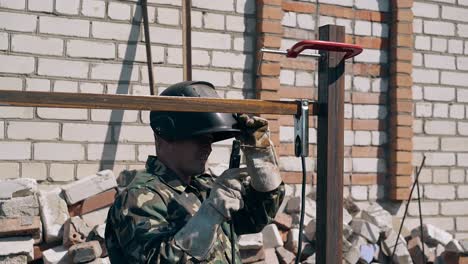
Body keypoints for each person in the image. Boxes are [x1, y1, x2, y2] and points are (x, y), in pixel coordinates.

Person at [105, 81, 285, 263]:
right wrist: (211, 213)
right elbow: (157, 260)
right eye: (199, 139)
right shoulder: (139, 197)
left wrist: (261, 159)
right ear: (166, 136)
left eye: (210, 140)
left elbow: (257, 218)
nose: (208, 149)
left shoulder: (204, 185)